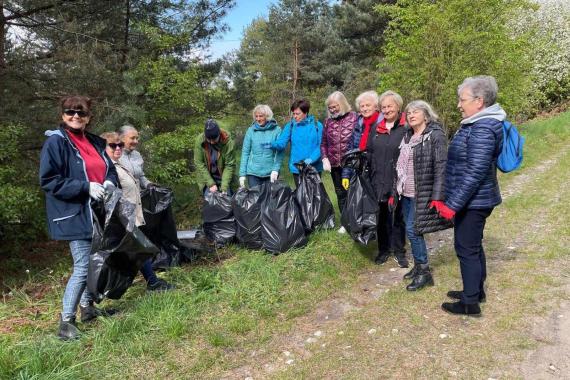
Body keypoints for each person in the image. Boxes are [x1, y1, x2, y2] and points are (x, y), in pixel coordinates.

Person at [40, 95, 118, 340]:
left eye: (80, 112)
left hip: (96, 211)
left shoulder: (94, 141)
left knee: (95, 259)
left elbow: (110, 168)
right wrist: (85, 187)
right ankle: (65, 322)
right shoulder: (57, 142)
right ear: (62, 115)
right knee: (83, 266)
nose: (75, 116)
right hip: (73, 213)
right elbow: (49, 180)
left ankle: (87, 309)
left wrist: (108, 182)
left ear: (88, 117)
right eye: (69, 112)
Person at [439, 76, 505, 316]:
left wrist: (452, 205)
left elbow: (476, 171)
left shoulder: (483, 127)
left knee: (466, 248)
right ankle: (475, 291)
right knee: (473, 246)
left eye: (462, 99)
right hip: (473, 198)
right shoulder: (477, 123)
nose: (459, 104)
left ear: (479, 101)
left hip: (474, 200)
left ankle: (469, 303)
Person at [101, 132, 174, 292]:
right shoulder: (107, 169)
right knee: (134, 252)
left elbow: (137, 179)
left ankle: (152, 282)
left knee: (139, 251)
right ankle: (99, 293)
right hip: (123, 219)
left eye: (120, 145)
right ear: (103, 148)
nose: (118, 148)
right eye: (113, 145)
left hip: (131, 216)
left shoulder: (118, 165)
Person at [393, 100, 452, 291]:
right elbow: (401, 166)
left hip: (423, 192)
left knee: (413, 230)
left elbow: (442, 166)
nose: (411, 115)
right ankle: (419, 267)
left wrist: (437, 195)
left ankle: (424, 272)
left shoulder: (435, 135)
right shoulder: (408, 136)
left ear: (425, 115)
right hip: (406, 192)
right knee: (413, 229)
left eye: (415, 112)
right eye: (409, 112)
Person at [349, 90, 408, 267]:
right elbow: (369, 151)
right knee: (381, 217)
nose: (386, 109)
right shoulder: (377, 128)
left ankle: (399, 251)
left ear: (398, 107)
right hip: (378, 179)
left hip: (398, 180)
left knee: (398, 217)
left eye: (390, 106)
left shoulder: (406, 128)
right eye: (383, 107)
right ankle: (384, 250)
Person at [321, 91, 358, 233]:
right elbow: (323, 143)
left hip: (351, 164)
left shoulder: (354, 118)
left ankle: (356, 219)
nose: (332, 110)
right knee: (340, 193)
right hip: (335, 165)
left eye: (335, 106)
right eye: (330, 107)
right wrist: (324, 158)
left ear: (342, 104)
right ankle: (345, 222)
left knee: (352, 192)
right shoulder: (327, 122)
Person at [268, 99, 324, 188]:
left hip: (314, 168)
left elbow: (321, 146)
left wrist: (310, 160)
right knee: (301, 198)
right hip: (297, 168)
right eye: (293, 114)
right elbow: (281, 143)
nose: (295, 116)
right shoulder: (290, 126)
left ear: (305, 113)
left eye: (297, 114)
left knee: (314, 198)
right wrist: (271, 144)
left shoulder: (317, 125)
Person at [239, 105, 284, 188]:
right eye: (256, 116)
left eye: (261, 116)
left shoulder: (277, 130)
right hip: (253, 173)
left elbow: (280, 152)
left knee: (270, 200)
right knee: (255, 200)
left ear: (267, 116)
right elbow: (245, 153)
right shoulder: (250, 131)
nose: (258, 119)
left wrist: (275, 170)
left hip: (270, 173)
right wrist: (242, 174)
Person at [194, 119, 236, 196]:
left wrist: (224, 187)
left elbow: (229, 165)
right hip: (207, 177)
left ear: (219, 134)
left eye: (214, 139)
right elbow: (199, 163)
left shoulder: (227, 142)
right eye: (209, 139)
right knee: (210, 201)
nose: (212, 142)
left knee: (227, 198)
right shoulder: (199, 141)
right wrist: (210, 183)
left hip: (224, 176)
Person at [118, 125, 153, 190]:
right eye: (132, 138)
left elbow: (140, 177)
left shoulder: (137, 155)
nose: (136, 141)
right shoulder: (115, 155)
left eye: (137, 138)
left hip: (138, 197)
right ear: (122, 138)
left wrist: (149, 185)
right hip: (123, 198)